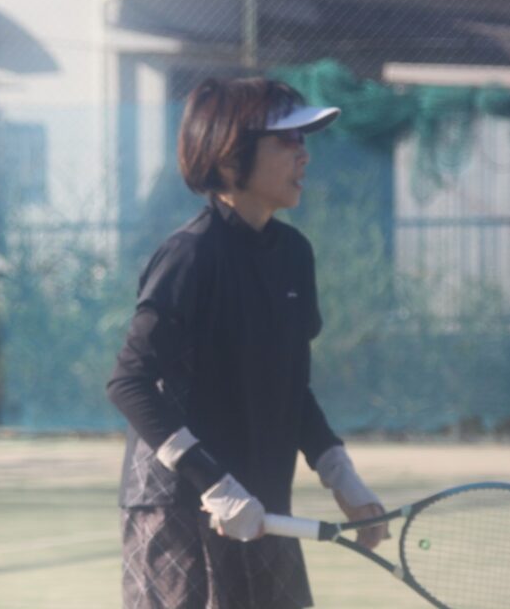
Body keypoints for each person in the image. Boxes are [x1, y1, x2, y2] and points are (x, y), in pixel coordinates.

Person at [107, 77, 388, 609]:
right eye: (288, 140)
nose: (304, 155)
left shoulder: (295, 255)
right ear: (232, 154)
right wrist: (215, 484)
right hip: (179, 509)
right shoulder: (190, 256)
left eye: (304, 140)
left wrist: (341, 476)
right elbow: (130, 383)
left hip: (262, 505)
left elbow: (291, 387)